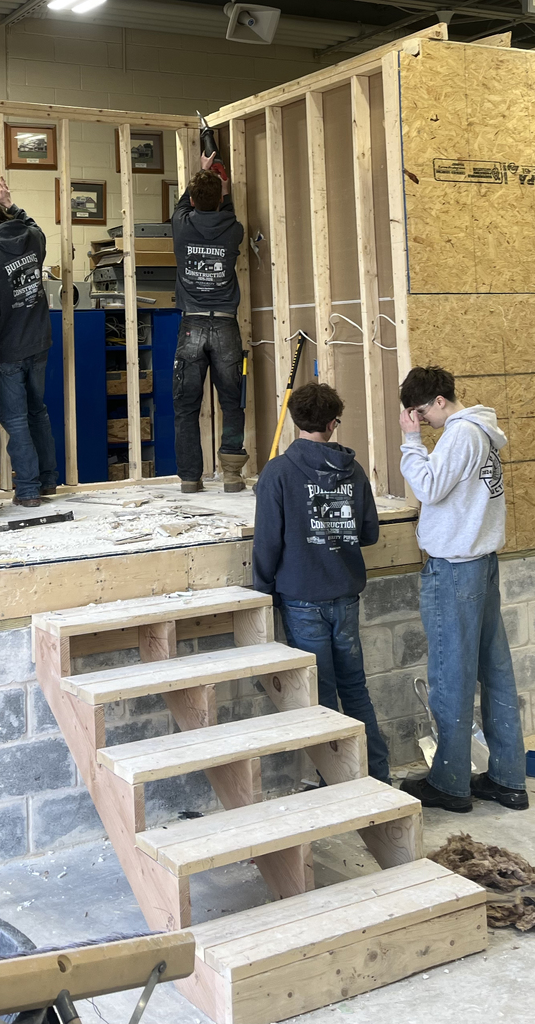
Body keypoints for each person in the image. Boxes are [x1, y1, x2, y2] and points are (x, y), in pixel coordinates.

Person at [398, 366, 528, 812]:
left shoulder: (459, 433)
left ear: (438, 401)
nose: (420, 421)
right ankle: (508, 779)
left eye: (419, 412)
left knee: (451, 676)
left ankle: (451, 784)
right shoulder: (483, 432)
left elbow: (429, 488)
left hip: (456, 567)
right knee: (494, 672)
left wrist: (410, 443)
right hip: (482, 563)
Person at [253, 382, 390, 784]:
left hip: (301, 598)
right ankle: (377, 776)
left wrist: (263, 594)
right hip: (345, 595)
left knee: (322, 696)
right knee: (356, 689)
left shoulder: (278, 472)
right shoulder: (354, 470)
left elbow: (267, 542)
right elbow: (368, 533)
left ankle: (339, 782)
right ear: (332, 424)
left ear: (295, 421)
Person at [0, 178, 58, 508]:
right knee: (38, 413)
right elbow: (31, 223)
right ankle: (47, 481)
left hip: (9, 349)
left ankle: (29, 490)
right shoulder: (31, 238)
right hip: (40, 341)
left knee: (15, 420)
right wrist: (9, 203)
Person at [171, 152, 247, 494]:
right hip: (227, 326)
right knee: (232, 402)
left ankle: (190, 478)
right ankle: (231, 474)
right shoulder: (235, 230)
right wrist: (224, 188)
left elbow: (181, 207)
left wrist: (200, 173)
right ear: (220, 201)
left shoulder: (182, 226)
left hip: (192, 326)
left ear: (191, 200)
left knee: (186, 407)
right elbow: (226, 213)